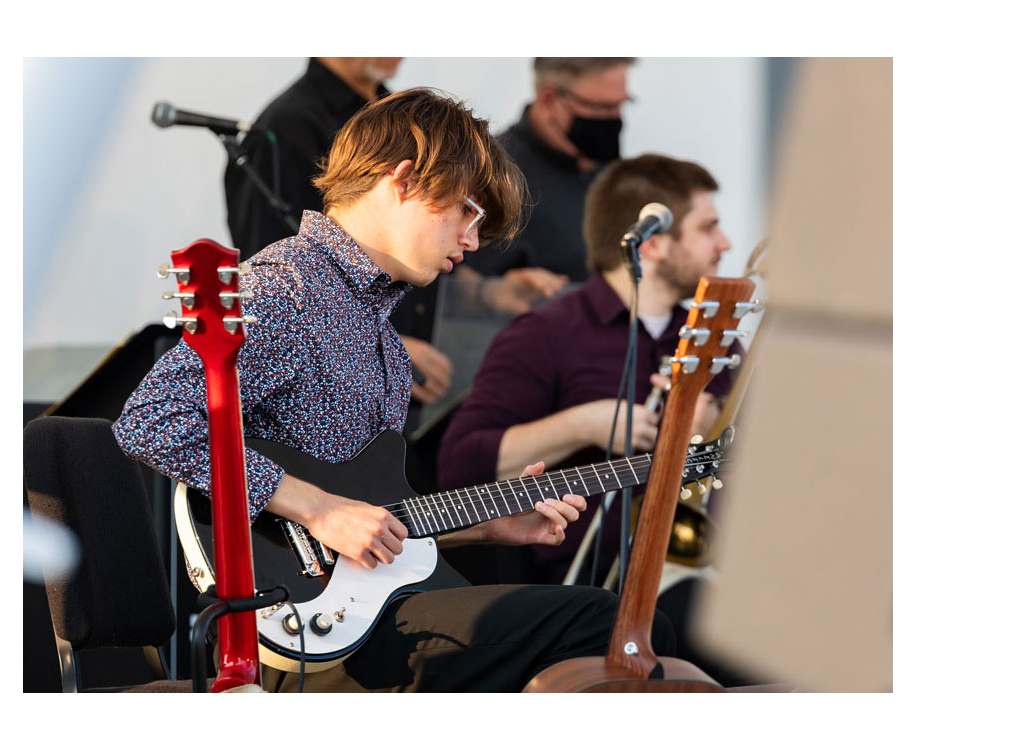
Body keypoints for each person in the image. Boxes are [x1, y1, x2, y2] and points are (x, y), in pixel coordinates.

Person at [115, 89, 675, 692]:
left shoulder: (377, 327)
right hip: (300, 631)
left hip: (375, 609)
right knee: (613, 624)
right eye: (467, 212)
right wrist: (317, 508)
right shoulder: (287, 290)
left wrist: (485, 526)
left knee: (625, 628)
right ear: (404, 179)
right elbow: (150, 420)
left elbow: (374, 511)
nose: (473, 240)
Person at [438, 153, 738, 587]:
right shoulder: (544, 334)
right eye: (708, 228)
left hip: (705, 570)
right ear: (652, 244)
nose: (725, 243)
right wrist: (581, 426)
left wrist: (707, 428)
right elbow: (459, 469)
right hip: (587, 582)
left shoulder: (716, 340)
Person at [223, 57, 451, 424]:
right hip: (326, 405)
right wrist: (377, 343)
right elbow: (267, 263)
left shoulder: (398, 116)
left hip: (402, 388)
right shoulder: (287, 124)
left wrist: (484, 293)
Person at [465, 57, 636, 293]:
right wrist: (491, 292)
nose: (614, 118)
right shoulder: (491, 173)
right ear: (548, 100)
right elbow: (453, 285)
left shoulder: (613, 170)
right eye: (601, 108)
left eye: (620, 105)